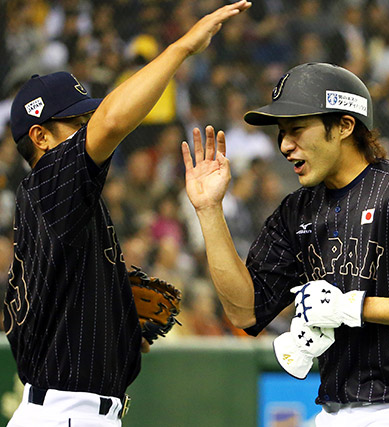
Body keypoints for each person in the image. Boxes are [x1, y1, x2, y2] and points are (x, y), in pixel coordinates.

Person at [182, 62, 389, 426]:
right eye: (281, 133)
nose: (284, 146)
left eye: (296, 130)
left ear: (344, 125)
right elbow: (244, 312)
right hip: (335, 408)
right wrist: (210, 210)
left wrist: (352, 307)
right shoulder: (297, 210)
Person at [3, 2, 251, 426]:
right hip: (68, 413)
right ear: (40, 137)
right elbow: (114, 120)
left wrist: (111, 320)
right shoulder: (49, 184)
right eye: (77, 122)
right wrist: (181, 49)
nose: (90, 128)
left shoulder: (60, 206)